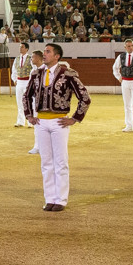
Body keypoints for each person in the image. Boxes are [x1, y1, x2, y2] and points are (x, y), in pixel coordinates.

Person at [22, 43, 90, 211]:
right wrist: (29, 115)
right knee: (46, 162)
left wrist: (75, 118)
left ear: (57, 56)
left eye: (47, 51)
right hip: (41, 123)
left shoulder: (67, 74)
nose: (43, 54)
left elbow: (85, 97)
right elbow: (26, 95)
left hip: (60, 122)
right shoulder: (36, 73)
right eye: (44, 51)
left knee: (60, 161)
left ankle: (61, 200)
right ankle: (50, 198)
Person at [10, 42, 35, 128]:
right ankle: (20, 121)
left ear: (27, 49)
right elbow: (14, 70)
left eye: (22, 47)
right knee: (19, 102)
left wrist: (32, 81)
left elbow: (34, 69)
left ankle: (31, 122)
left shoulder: (31, 58)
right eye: (20, 47)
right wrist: (14, 79)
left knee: (29, 102)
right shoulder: (17, 58)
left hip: (28, 82)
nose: (20, 48)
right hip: (19, 82)